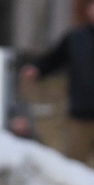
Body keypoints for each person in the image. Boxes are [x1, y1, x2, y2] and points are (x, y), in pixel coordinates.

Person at [21, 0, 94, 164]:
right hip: (80, 115)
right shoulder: (75, 38)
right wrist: (37, 69)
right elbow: (54, 58)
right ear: (88, 10)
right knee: (74, 165)